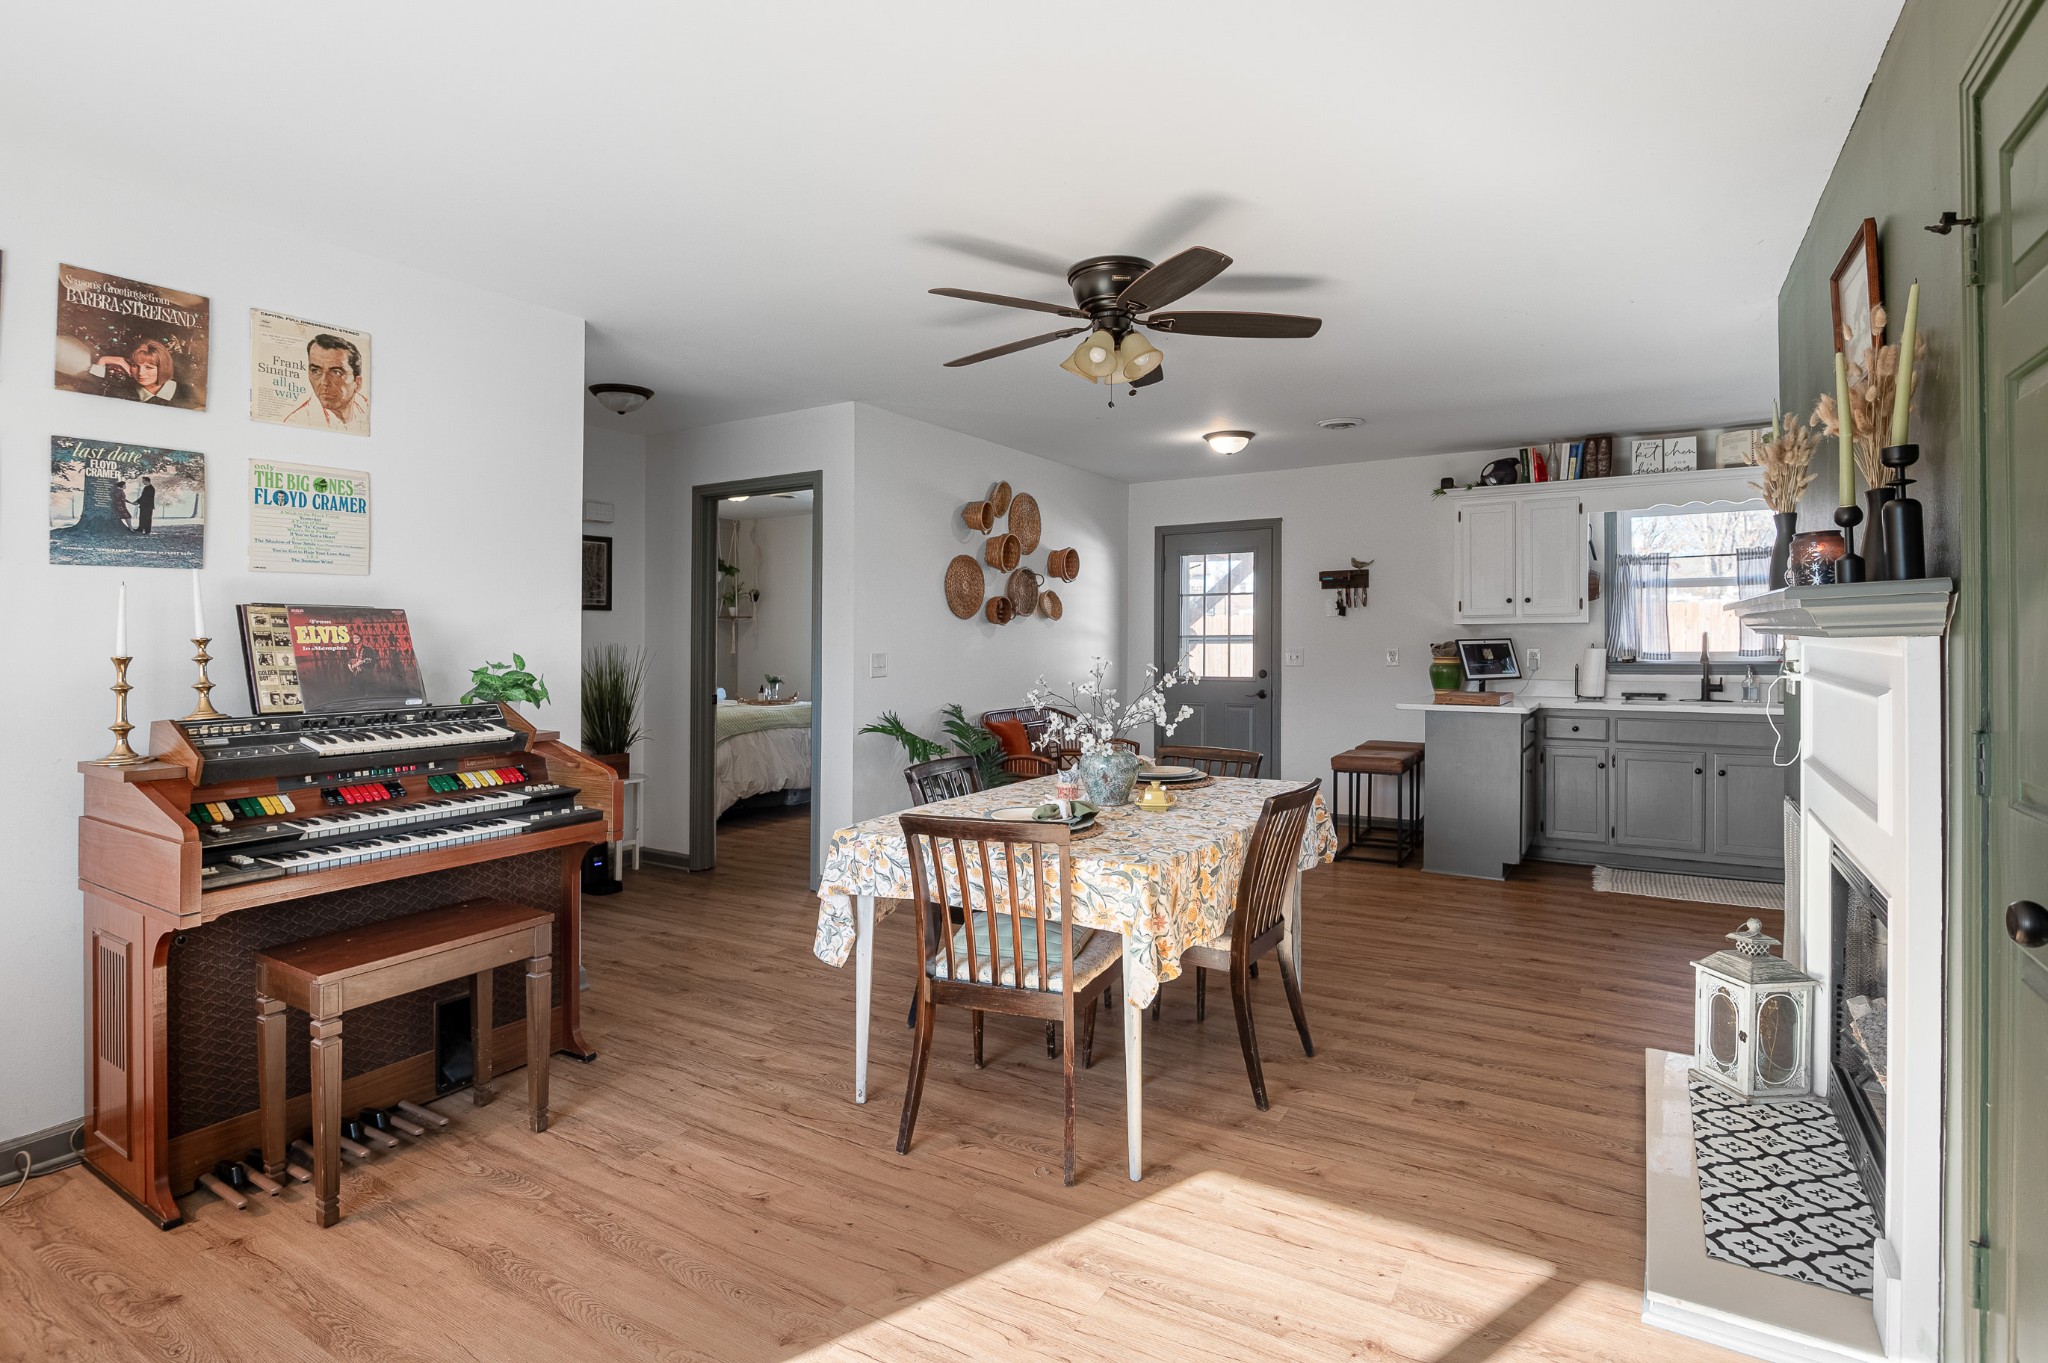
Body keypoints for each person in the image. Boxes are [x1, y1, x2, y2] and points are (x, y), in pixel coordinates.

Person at [281, 333, 370, 433]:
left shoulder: (368, 408)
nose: (324, 382)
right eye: (315, 371)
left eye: (336, 372)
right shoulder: (296, 421)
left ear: (357, 383)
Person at [90, 339, 189, 406]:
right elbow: (90, 395)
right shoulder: (123, 390)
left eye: (149, 367)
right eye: (135, 366)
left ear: (163, 368)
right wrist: (104, 360)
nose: (141, 373)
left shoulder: (186, 392)